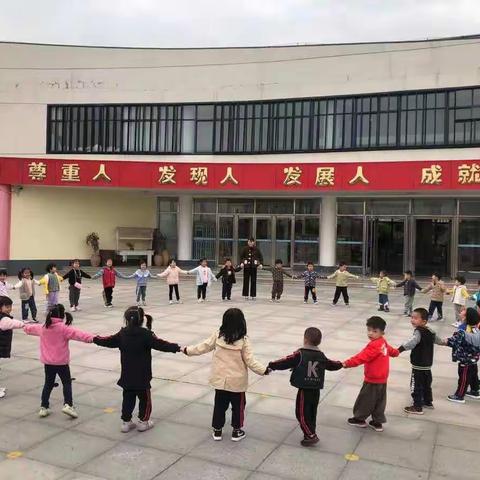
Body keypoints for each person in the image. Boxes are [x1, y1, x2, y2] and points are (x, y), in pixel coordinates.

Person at [93, 306, 181, 433]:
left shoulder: (122, 334)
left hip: (127, 375)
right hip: (143, 376)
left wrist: (94, 338)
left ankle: (126, 422)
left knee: (128, 398)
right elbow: (162, 344)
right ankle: (143, 422)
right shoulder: (146, 334)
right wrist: (177, 347)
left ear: (126, 319)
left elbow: (107, 340)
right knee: (145, 399)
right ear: (142, 319)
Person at [183, 308, 266, 442]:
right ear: (242, 323)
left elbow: (203, 347)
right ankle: (237, 430)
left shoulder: (217, 335)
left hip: (220, 379)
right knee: (238, 406)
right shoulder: (244, 341)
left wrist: (188, 350)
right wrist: (264, 370)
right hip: (237, 382)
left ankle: (217, 430)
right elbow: (250, 361)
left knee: (219, 405)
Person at [267, 327, 342, 446]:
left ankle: (310, 435)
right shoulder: (321, 355)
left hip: (304, 388)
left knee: (301, 412)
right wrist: (341, 364)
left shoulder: (300, 354)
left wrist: (271, 365)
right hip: (316, 389)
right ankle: (311, 430)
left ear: (305, 340)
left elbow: (285, 361)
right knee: (312, 412)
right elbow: (331, 364)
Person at [24, 304, 94, 419]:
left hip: (48, 363)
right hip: (62, 363)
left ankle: (44, 407)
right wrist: (93, 338)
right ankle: (68, 405)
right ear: (62, 315)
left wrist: (23, 325)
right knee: (66, 383)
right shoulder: (63, 328)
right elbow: (79, 334)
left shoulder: (43, 327)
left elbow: (29, 328)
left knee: (48, 384)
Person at [343, 316, 399, 432]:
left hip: (372, 379)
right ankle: (377, 422)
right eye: (369, 330)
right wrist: (396, 352)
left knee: (365, 400)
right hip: (382, 379)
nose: (370, 333)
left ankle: (359, 419)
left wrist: (347, 363)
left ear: (382, 332)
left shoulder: (374, 345)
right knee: (380, 401)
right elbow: (390, 350)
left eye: (374, 331)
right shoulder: (382, 342)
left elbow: (361, 357)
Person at [398, 307, 443, 414]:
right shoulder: (430, 331)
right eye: (412, 317)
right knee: (426, 384)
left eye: (415, 318)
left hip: (418, 364)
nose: (412, 320)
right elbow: (439, 340)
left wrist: (400, 349)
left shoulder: (418, 331)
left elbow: (412, 342)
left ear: (424, 321)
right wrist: (448, 342)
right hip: (427, 364)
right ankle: (428, 402)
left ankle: (417, 406)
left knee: (416, 385)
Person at [445, 308, 480, 403]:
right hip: (474, 357)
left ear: (466, 318)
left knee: (463, 376)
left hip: (466, 358)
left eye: (462, 313)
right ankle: (475, 391)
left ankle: (459, 395)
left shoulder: (463, 329)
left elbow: (455, 341)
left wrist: (443, 341)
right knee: (473, 374)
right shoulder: (475, 328)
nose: (460, 313)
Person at [0, 296, 25, 398]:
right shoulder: (3, 319)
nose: (9, 309)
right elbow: (13, 323)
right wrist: (24, 325)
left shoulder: (4, 316)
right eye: (7, 307)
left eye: (10, 306)